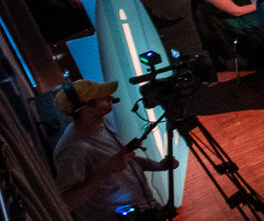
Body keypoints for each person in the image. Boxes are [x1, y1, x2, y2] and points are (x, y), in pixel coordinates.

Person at [53, 79, 180, 221]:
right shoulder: (72, 148)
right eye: (101, 97)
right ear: (87, 110)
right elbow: (65, 203)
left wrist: (157, 166)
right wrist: (103, 173)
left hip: (146, 211)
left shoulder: (102, 122)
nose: (109, 97)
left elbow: (121, 162)